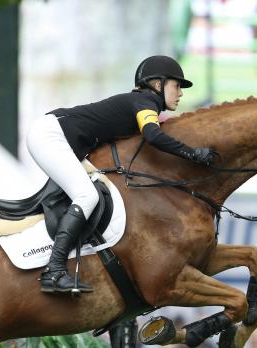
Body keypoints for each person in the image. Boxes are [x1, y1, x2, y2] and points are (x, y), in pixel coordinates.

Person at [26, 55, 217, 294]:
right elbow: (153, 135)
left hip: (58, 135)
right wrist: (193, 154)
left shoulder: (142, 102)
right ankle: (54, 271)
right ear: (157, 85)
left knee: (94, 192)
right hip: (51, 135)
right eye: (176, 86)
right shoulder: (146, 101)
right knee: (87, 196)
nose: (180, 93)